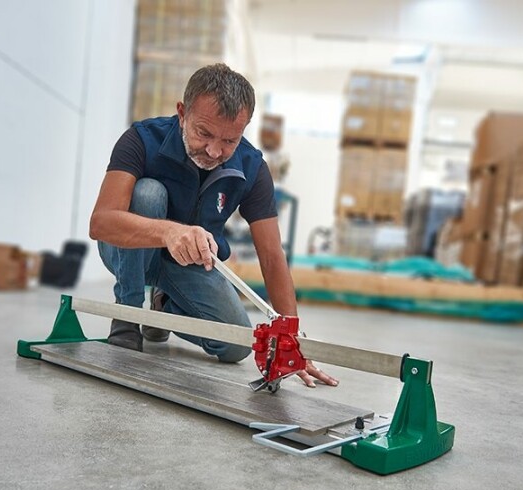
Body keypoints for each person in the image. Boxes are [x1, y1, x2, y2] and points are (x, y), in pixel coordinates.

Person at [89, 63, 338, 388]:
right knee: (148, 193)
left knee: (236, 346)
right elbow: (101, 223)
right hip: (129, 252)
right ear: (182, 114)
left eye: (229, 140)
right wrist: (170, 232)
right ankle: (127, 315)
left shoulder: (252, 167)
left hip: (189, 265)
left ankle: (162, 308)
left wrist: (290, 339)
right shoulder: (142, 139)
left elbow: (272, 255)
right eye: (204, 133)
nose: (214, 151)